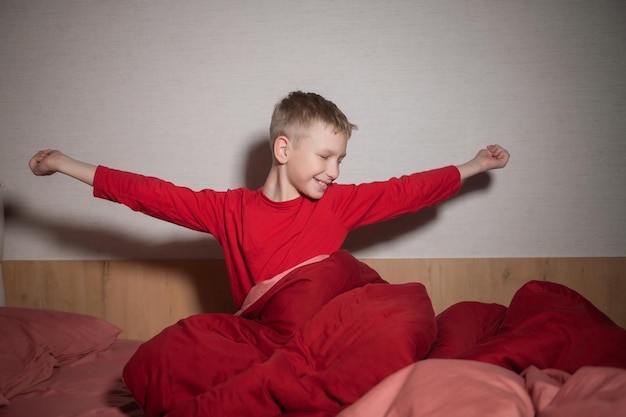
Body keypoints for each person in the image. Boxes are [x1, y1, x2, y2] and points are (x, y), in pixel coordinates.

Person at [29, 91, 510, 416]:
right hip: (268, 340)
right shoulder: (228, 211)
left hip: (333, 335)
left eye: (341, 159)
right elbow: (149, 193)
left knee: (398, 316)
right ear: (284, 148)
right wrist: (62, 164)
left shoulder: (338, 204)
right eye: (325, 157)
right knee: (167, 354)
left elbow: (408, 190)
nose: (335, 171)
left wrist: (475, 164)